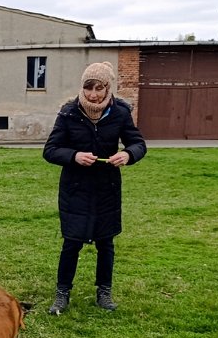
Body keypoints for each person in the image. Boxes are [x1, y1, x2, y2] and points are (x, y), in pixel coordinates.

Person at [42, 61, 147, 315]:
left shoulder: (120, 113)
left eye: (99, 88)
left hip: (106, 189)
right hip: (75, 189)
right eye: (89, 87)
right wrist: (74, 156)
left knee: (105, 243)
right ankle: (62, 293)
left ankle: (104, 292)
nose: (93, 94)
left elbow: (138, 143)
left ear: (107, 88)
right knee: (72, 243)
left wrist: (128, 155)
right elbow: (50, 150)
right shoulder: (68, 113)